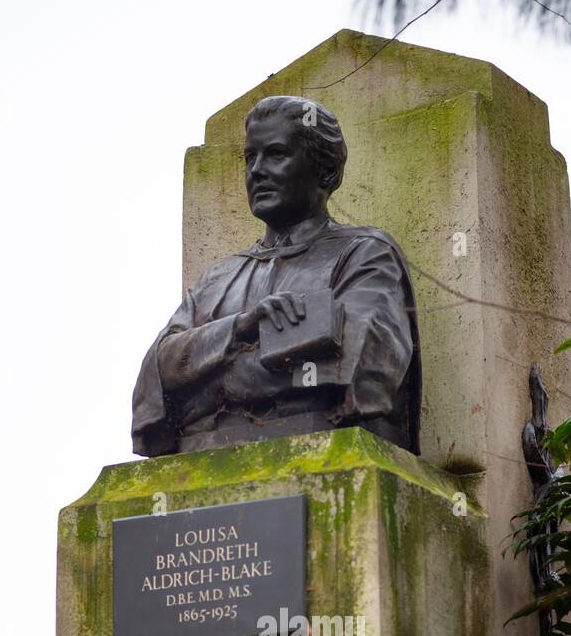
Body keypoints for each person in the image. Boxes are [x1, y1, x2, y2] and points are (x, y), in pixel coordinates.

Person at [132, 95, 421, 457]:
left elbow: (361, 366)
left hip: (324, 457)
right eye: (250, 157)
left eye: (276, 154)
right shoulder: (219, 279)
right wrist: (241, 328)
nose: (256, 170)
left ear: (327, 171)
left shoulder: (365, 254)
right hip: (211, 463)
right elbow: (156, 378)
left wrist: (207, 386)